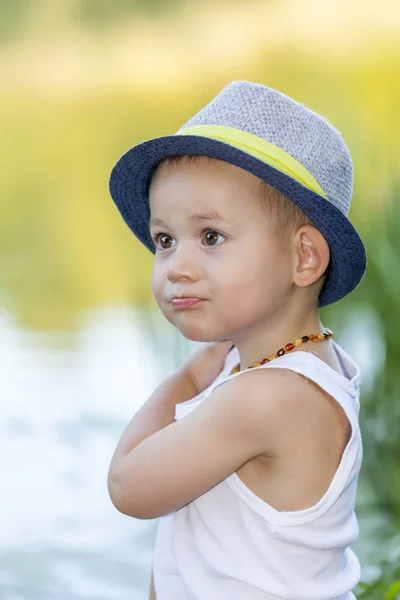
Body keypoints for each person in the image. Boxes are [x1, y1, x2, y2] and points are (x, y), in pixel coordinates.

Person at [107, 81, 367, 600]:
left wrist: (187, 377)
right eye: (165, 240)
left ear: (304, 258)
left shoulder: (268, 396)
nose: (176, 267)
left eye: (210, 237)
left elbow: (129, 487)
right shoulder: (306, 365)